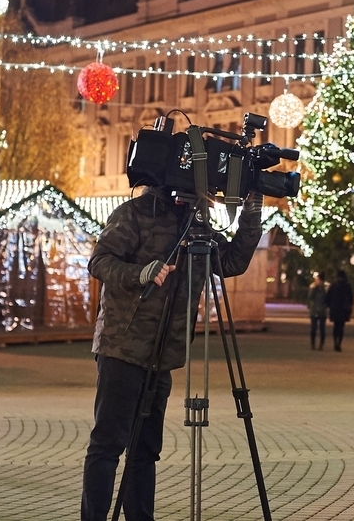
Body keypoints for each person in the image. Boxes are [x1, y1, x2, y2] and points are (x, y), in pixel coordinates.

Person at [81, 187, 263, 521]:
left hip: (163, 355)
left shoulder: (197, 223)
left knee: (146, 450)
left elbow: (231, 262)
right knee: (108, 445)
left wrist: (251, 211)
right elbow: (99, 261)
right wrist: (139, 273)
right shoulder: (133, 212)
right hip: (123, 347)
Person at [325, 268, 354, 351]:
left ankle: (335, 342)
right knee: (341, 327)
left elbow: (328, 297)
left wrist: (329, 305)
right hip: (343, 309)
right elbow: (351, 298)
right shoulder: (347, 286)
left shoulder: (333, 285)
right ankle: (339, 343)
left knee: (335, 326)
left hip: (335, 309)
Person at [307, 272, 328, 350]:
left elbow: (327, 298)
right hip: (314, 310)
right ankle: (313, 344)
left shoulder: (325, 288)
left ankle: (321, 345)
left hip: (322, 311)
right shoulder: (313, 287)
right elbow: (310, 297)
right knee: (313, 328)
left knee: (322, 329)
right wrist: (314, 288)